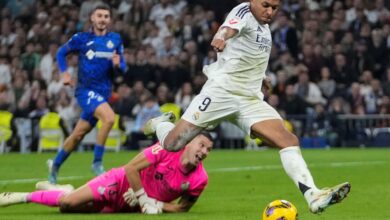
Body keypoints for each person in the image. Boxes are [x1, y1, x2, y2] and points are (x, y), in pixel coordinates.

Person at [143, 0, 350, 214]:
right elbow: (229, 28)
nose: (269, 12)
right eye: (265, 5)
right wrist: (220, 36)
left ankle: (313, 195)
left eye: (275, 8)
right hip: (221, 93)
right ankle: (160, 125)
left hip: (249, 100)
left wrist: (262, 77)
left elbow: (248, 55)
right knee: (172, 144)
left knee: (288, 140)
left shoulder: (265, 28)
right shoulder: (244, 11)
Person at [0, 132, 213, 214]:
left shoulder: (200, 179)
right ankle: (21, 197)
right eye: (201, 145)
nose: (203, 152)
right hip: (118, 182)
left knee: (69, 210)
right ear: (190, 141)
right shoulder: (166, 149)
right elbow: (130, 168)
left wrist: (156, 205)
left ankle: (64, 189)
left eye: (208, 149)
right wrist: (144, 198)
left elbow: (182, 208)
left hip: (131, 205)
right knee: (66, 204)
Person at [48, 4, 126, 184]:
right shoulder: (81, 38)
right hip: (85, 91)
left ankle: (55, 165)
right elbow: (61, 53)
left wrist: (118, 64)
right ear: (92, 18)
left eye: (106, 16)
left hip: (103, 94)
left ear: (110, 20)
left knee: (77, 135)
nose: (102, 19)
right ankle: (97, 162)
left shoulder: (115, 39)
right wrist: (65, 73)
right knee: (109, 118)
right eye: (99, 15)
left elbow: (123, 68)